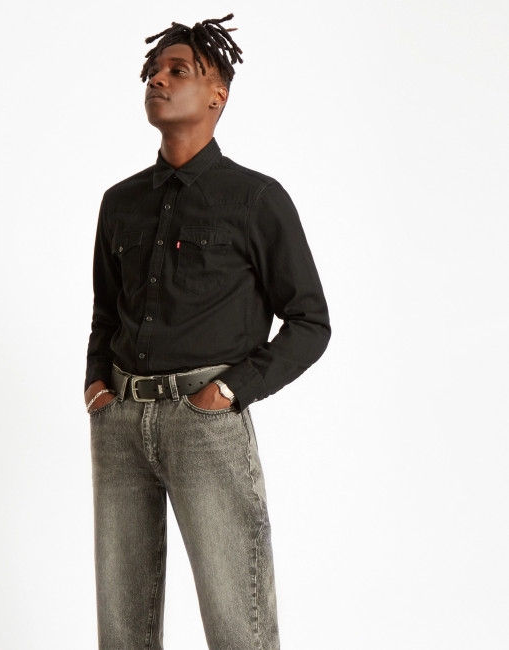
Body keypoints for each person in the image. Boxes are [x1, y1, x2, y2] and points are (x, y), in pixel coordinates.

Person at [84, 13, 331, 649]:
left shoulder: (256, 199)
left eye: (177, 70)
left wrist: (228, 391)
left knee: (236, 622)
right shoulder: (120, 202)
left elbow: (310, 321)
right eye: (152, 70)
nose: (157, 80)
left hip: (205, 421)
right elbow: (106, 312)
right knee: (121, 628)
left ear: (217, 94)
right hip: (119, 420)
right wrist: (96, 386)